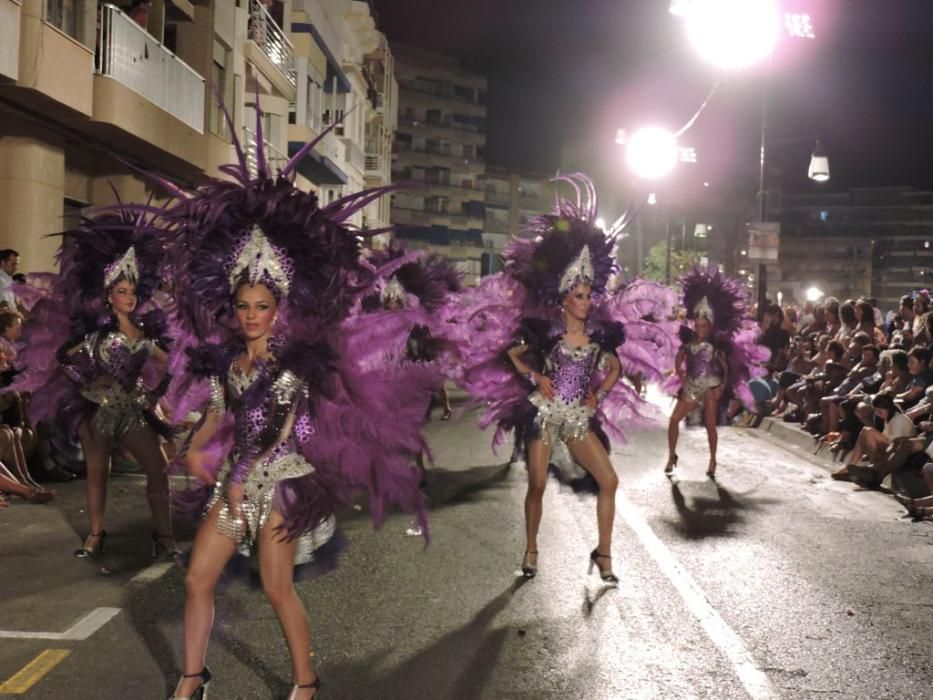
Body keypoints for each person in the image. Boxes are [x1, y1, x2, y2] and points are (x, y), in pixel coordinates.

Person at [164, 112, 429, 700]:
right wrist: (189, 444)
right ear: (232, 307)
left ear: (278, 307)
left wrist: (240, 475)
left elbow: (289, 429)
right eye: (243, 305)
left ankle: (306, 683)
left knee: (279, 589)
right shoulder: (229, 364)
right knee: (197, 578)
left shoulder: (296, 362)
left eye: (261, 304)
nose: (251, 314)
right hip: (232, 487)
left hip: (278, 486)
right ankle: (192, 675)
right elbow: (219, 415)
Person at [454, 174, 679, 584]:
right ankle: (531, 548)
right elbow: (511, 353)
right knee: (537, 484)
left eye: (590, 294)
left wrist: (598, 395)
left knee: (609, 480)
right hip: (543, 416)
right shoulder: (547, 333)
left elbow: (612, 368)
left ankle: (604, 554)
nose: (587, 301)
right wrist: (536, 376)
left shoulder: (598, 336)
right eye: (579, 295)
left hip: (576, 418)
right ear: (563, 298)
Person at [9, 214, 176, 559]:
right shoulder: (94, 334)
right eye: (121, 292)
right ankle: (96, 535)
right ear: (109, 296)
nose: (129, 297)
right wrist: (86, 382)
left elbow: (172, 364)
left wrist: (155, 395)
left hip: (133, 410)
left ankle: (164, 536)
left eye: (132, 291)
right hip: (97, 409)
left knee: (158, 471)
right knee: (98, 473)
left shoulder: (146, 334)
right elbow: (62, 356)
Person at [667, 267, 768, 477]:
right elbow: (679, 359)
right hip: (692, 387)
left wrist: (721, 387)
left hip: (711, 386)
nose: (700, 328)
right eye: (698, 324)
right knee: (674, 420)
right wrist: (681, 375)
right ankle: (671, 455)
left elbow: (725, 367)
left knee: (711, 425)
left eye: (704, 325)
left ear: (710, 325)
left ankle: (713, 460)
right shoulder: (689, 341)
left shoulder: (716, 344)